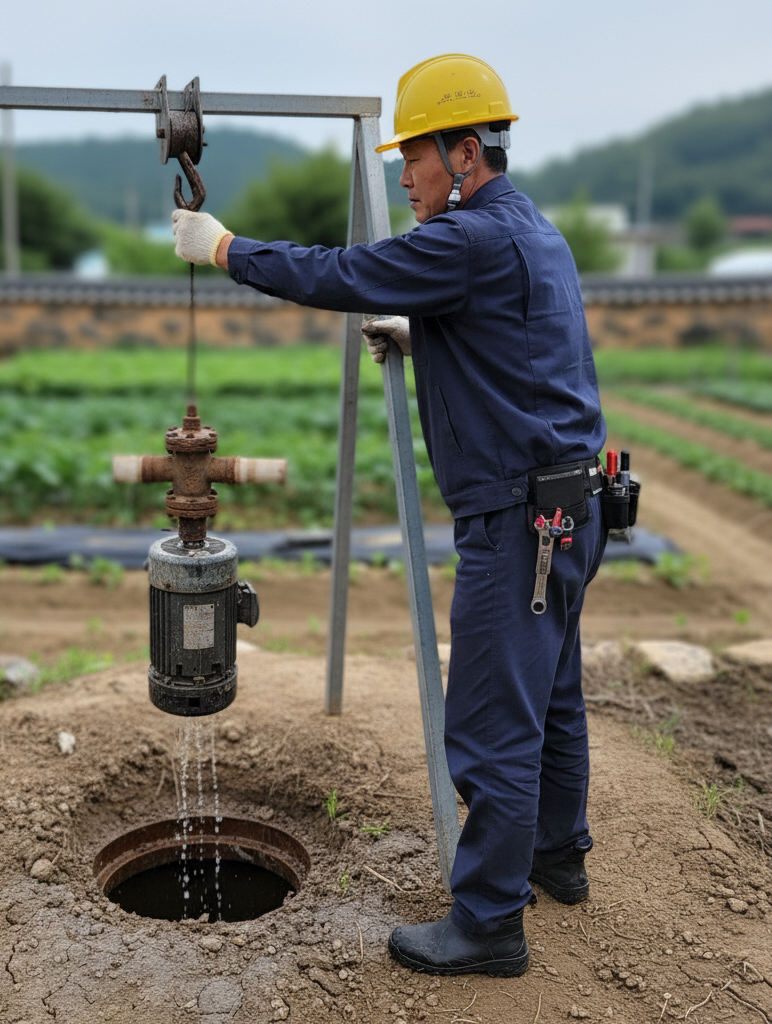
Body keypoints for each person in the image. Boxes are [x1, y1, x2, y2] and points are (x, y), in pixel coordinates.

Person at [171, 53, 607, 978]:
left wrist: (223, 248)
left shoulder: (467, 242)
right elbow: (517, 340)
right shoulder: (530, 232)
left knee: (492, 721)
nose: (402, 173)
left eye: (414, 156)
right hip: (575, 508)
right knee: (553, 694)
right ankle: (557, 859)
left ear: (464, 151)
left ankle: (489, 922)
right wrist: (427, 331)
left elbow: (342, 272)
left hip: (519, 524)